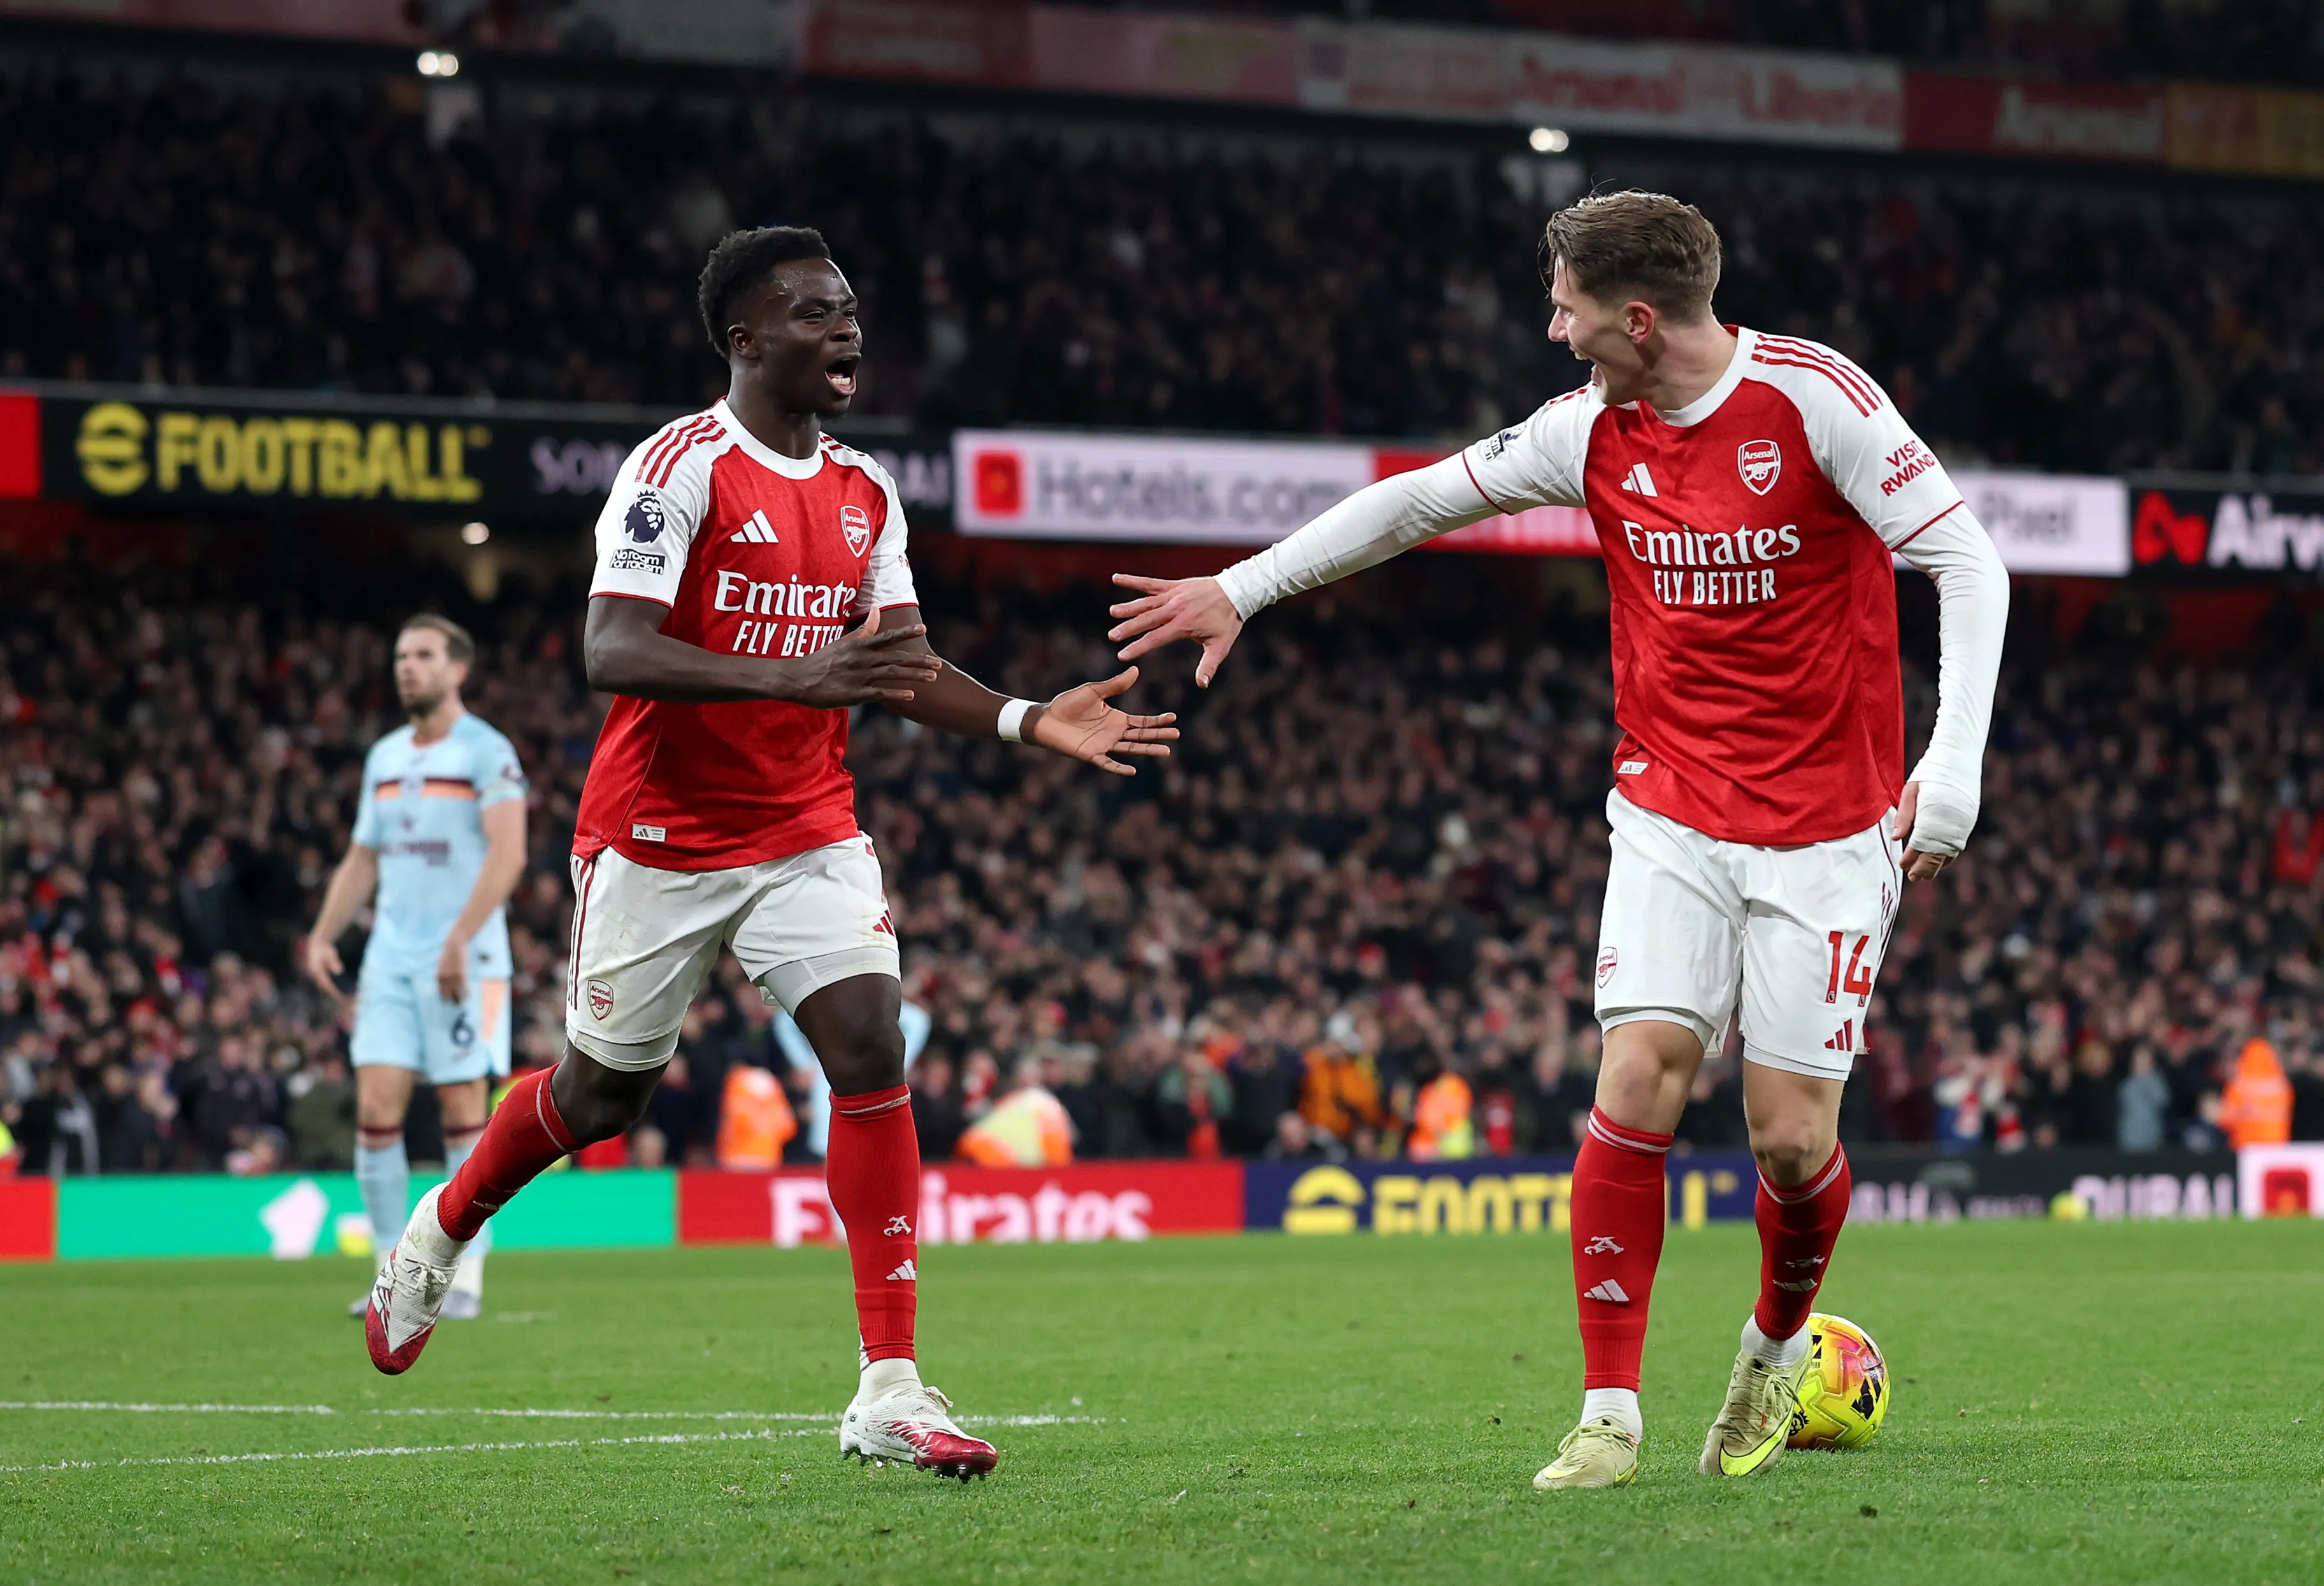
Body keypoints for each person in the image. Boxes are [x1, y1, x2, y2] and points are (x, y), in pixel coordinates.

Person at [1107, 190, 2006, 1491]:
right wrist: (1238, 587)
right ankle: (1606, 1413)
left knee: (1790, 1139)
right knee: (1638, 1072)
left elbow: (1969, 560)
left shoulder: (1818, 405)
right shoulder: (1588, 429)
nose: (1554, 328)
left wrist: (1953, 761)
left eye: (1569, 305)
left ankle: (1770, 1347)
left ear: (1638, 317)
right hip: (1669, 811)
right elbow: (1416, 502)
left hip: (1828, 825)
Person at [364, 226, 1176, 1482]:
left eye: (850, 309)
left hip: (807, 826)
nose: (846, 331)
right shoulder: (675, 469)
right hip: (659, 834)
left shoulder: (866, 492)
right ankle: (436, 1230)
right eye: (813, 314)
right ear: (747, 340)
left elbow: (897, 664)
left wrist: (1026, 716)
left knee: (869, 1041)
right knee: (602, 1095)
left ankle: (891, 1384)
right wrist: (799, 671)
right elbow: (611, 649)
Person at [306, 614, 527, 1320]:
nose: (408, 667)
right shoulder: (385, 756)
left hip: (467, 958)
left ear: (458, 669)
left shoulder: (486, 752)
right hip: (391, 960)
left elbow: (509, 853)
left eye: (425, 655)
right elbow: (363, 858)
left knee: (464, 1110)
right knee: (375, 1110)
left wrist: (461, 936)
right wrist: (322, 935)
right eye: (402, 655)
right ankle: (388, 1271)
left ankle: (462, 1275)